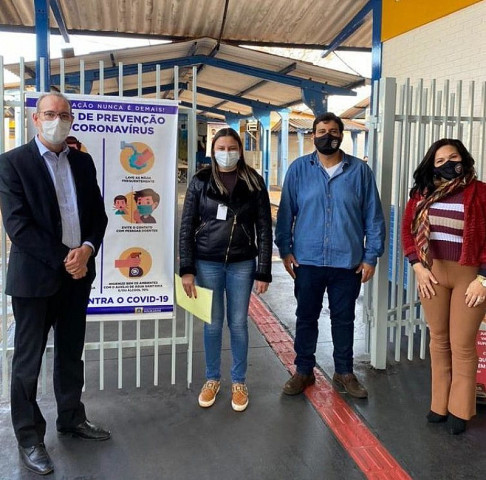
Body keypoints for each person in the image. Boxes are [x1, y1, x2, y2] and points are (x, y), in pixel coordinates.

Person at [0, 92, 109, 475]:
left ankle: (71, 418)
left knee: (69, 353)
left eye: (64, 114)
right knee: (27, 362)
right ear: (35, 118)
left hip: (78, 277)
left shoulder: (82, 161)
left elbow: (98, 215)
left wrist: (88, 248)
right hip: (35, 280)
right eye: (50, 113)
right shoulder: (12, 164)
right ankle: (29, 437)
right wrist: (68, 259)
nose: (57, 120)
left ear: (72, 119)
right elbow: (18, 226)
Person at [275, 112, 385, 399]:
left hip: (347, 261)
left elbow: (373, 217)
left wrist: (371, 256)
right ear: (313, 135)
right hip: (307, 260)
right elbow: (286, 212)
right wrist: (285, 249)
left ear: (341, 135)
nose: (327, 136)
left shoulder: (359, 171)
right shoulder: (299, 170)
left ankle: (344, 372)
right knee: (306, 317)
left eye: (333, 131)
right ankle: (303, 370)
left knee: (344, 318)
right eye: (321, 131)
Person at [179, 127, 272, 412]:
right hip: (207, 262)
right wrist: (186, 267)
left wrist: (264, 269)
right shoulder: (200, 180)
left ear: (240, 150)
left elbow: (264, 227)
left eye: (232, 147)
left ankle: (239, 381)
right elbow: (187, 225)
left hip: (242, 263)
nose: (227, 153)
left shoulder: (254, 181)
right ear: (213, 150)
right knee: (213, 323)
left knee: (239, 323)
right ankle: (212, 378)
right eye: (221, 148)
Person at [401, 138, 486, 435]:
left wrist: (483, 279)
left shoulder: (480, 192)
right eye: (440, 160)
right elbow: (408, 233)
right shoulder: (422, 194)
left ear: (464, 158)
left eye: (453, 157)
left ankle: (460, 409)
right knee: (438, 340)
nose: (448, 163)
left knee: (462, 344)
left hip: (469, 276)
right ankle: (439, 404)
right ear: (431, 165)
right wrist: (417, 266)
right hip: (432, 273)